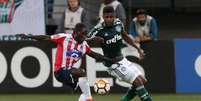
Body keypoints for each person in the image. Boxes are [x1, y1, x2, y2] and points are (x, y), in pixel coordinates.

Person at [19, 23, 113, 101]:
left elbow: (94, 55)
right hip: (59, 71)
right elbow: (46, 37)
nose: (84, 38)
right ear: (75, 33)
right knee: (82, 73)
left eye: (85, 35)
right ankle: (89, 98)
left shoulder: (84, 45)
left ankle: (86, 97)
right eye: (82, 35)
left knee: (83, 91)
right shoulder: (64, 38)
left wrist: (110, 60)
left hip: (70, 74)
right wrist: (29, 36)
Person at [88, 6, 152, 101]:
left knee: (142, 80)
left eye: (111, 16)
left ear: (114, 16)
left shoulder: (118, 23)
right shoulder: (98, 29)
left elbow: (125, 35)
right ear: (103, 16)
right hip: (112, 64)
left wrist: (137, 49)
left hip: (122, 59)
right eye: (107, 17)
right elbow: (85, 39)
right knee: (137, 82)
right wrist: (93, 39)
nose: (109, 19)